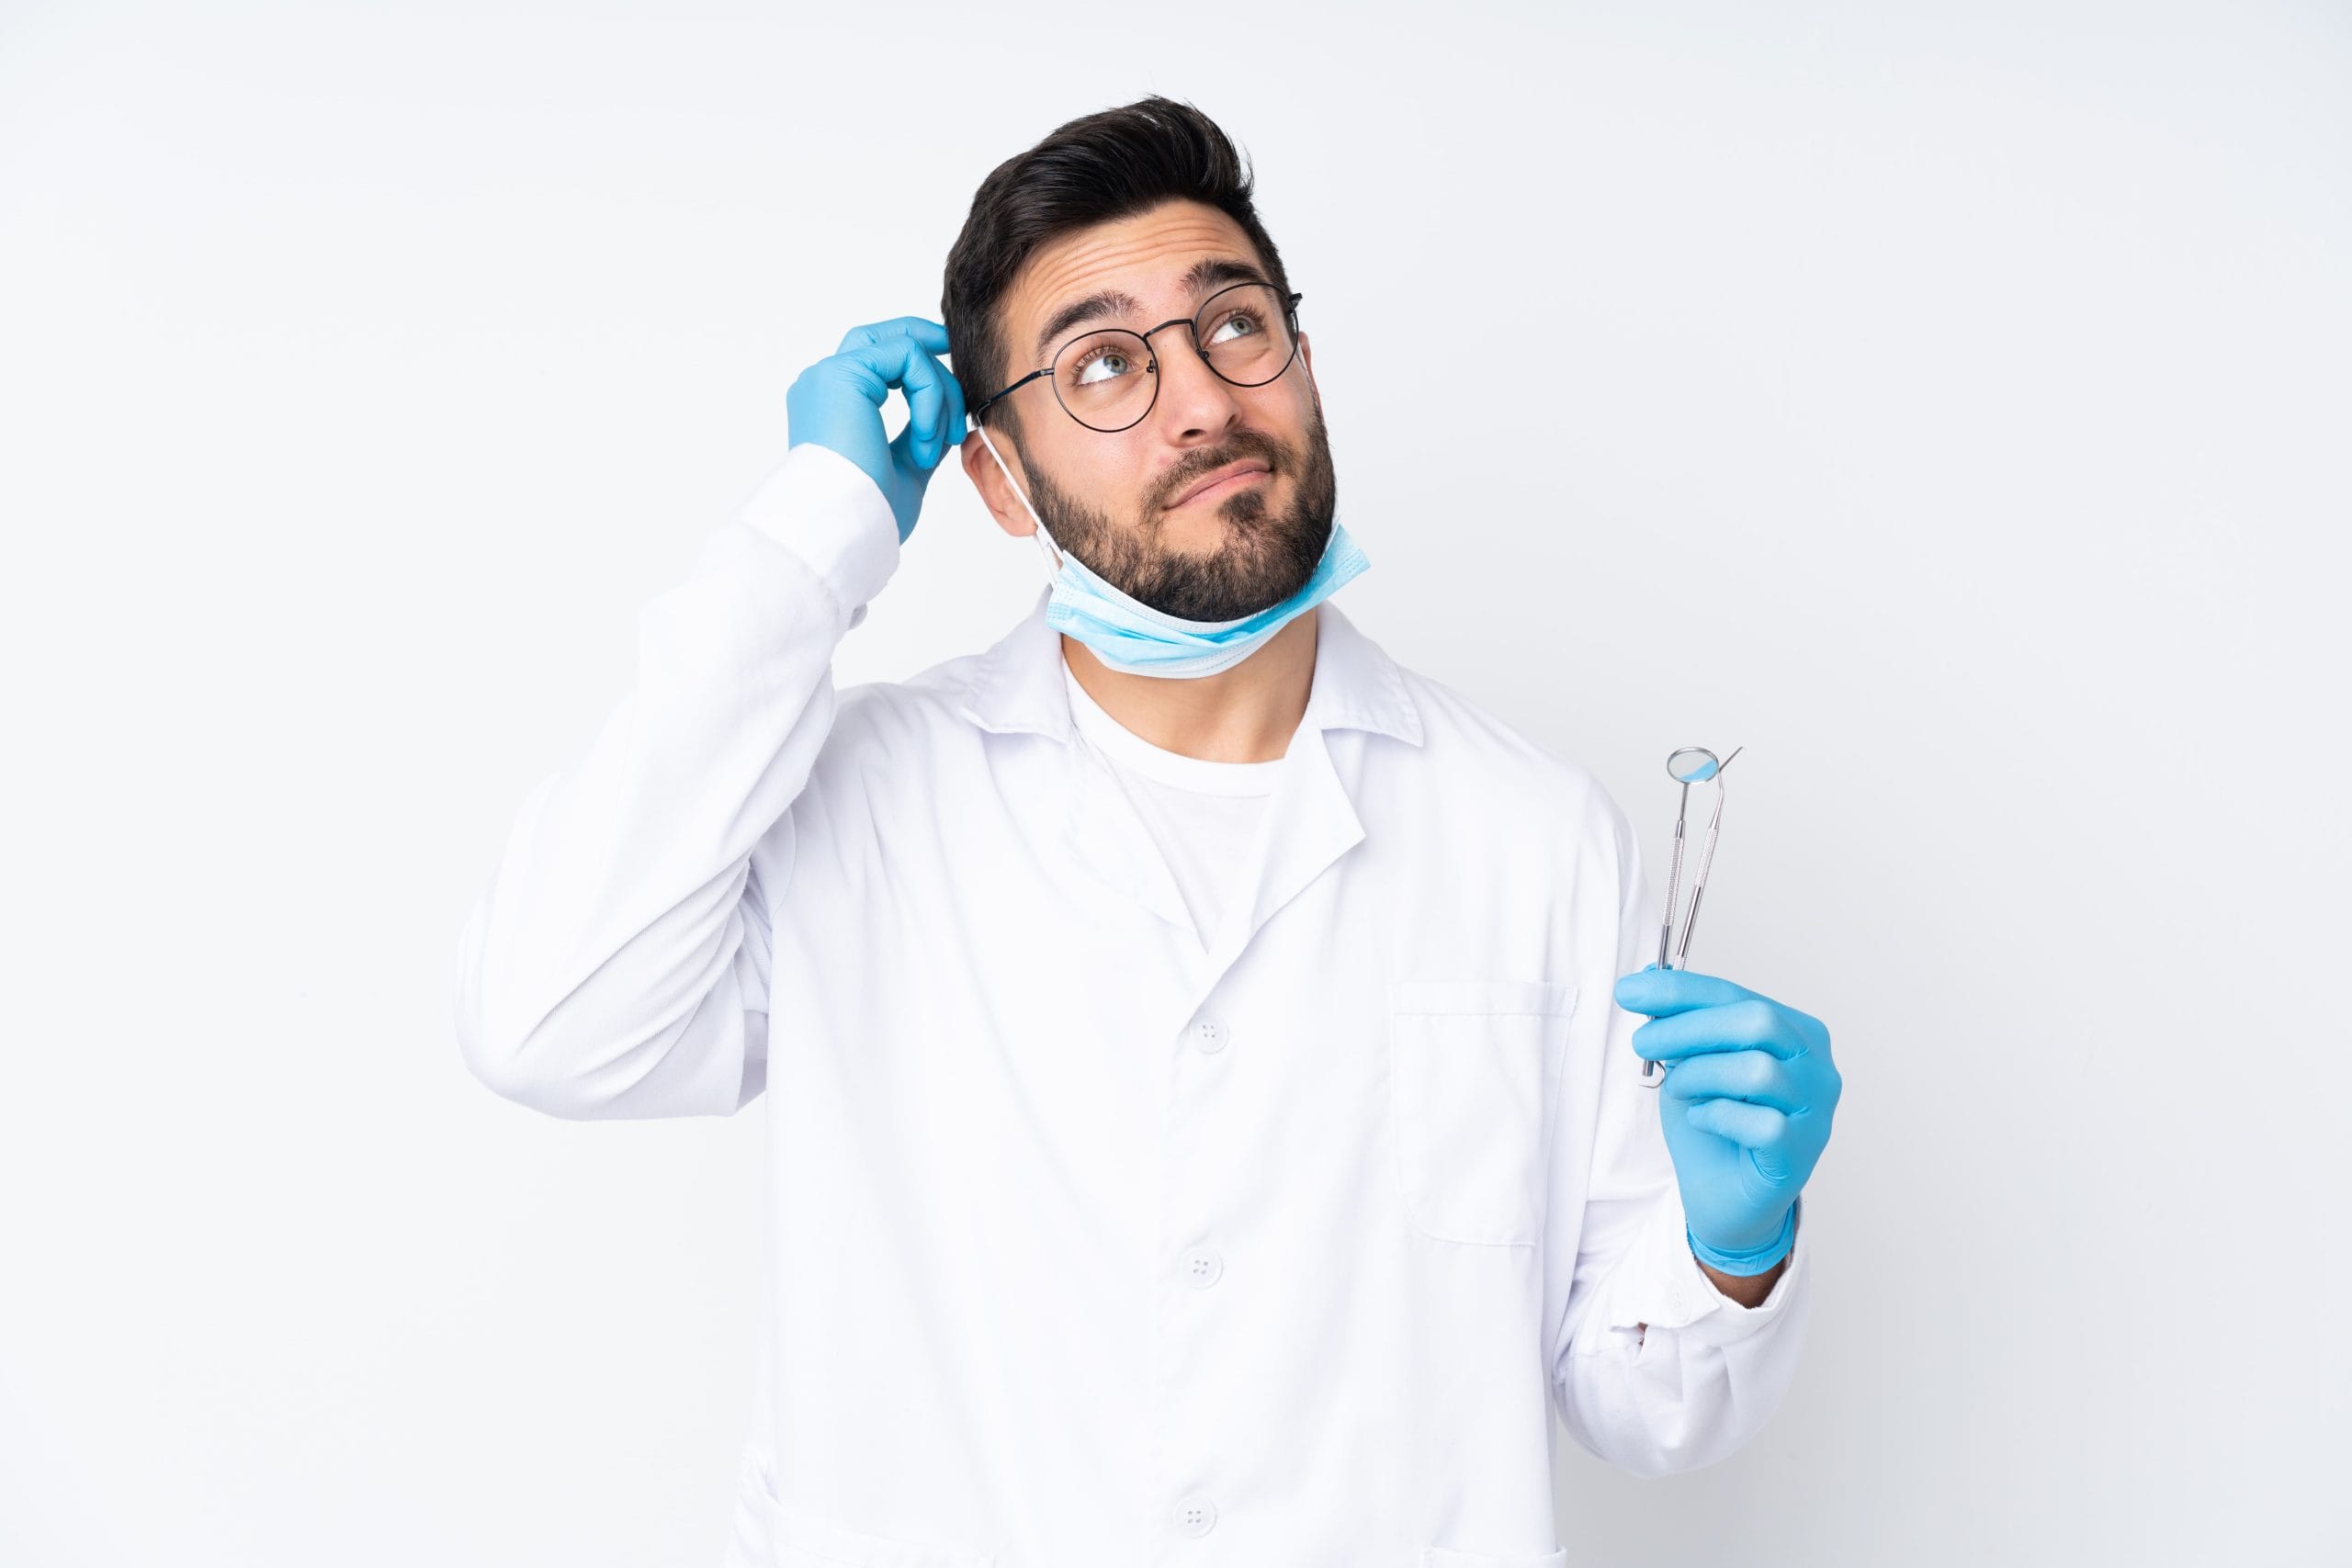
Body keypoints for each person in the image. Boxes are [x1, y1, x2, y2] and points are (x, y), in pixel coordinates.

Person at [454, 95, 1843, 1568]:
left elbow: (1649, 1409)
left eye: (1234, 326)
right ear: (996, 478)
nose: (1200, 402)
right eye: (1106, 364)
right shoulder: (862, 800)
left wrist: (1730, 1249)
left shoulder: (1530, 833)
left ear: (1303, 365)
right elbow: (551, 1021)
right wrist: (820, 524)